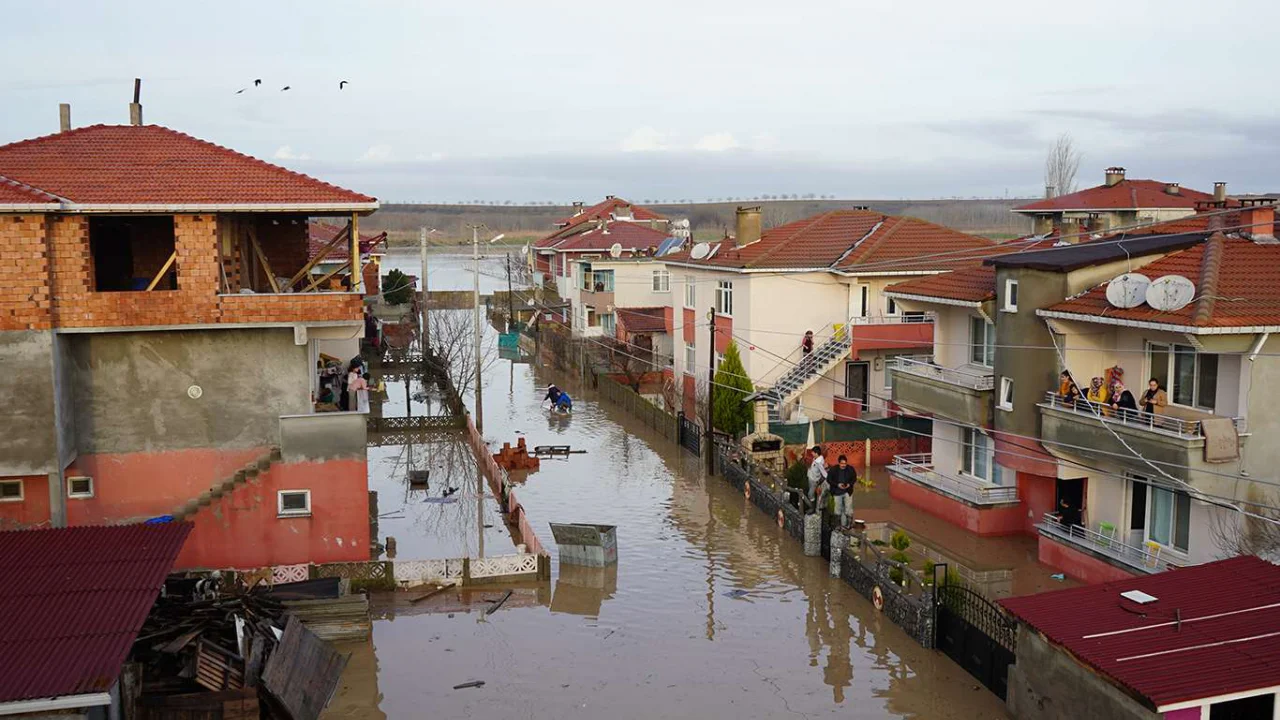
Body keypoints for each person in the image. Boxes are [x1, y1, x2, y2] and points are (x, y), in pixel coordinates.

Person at [827, 455, 857, 528]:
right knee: (837, 509)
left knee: (848, 508)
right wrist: (837, 485)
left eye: (845, 464)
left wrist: (849, 484)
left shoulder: (850, 469)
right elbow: (829, 480)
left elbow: (854, 478)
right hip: (837, 492)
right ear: (839, 463)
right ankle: (837, 525)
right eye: (842, 463)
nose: (843, 465)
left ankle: (849, 524)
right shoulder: (833, 470)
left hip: (847, 491)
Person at [806, 445, 828, 513]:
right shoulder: (815, 459)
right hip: (811, 478)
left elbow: (824, 474)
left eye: (812, 452)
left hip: (814, 480)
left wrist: (818, 482)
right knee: (812, 494)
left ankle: (812, 509)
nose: (812, 454)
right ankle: (813, 508)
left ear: (816, 453)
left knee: (810, 494)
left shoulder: (819, 462)